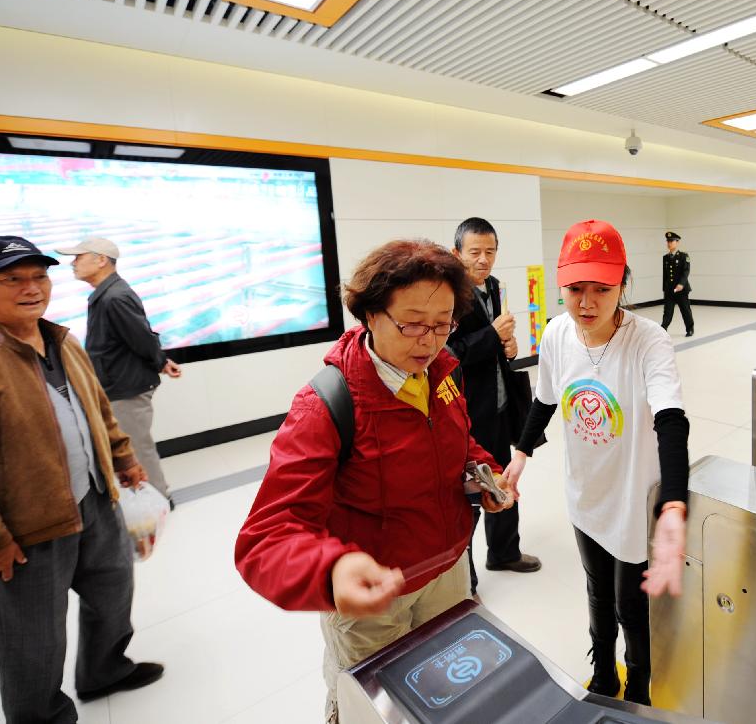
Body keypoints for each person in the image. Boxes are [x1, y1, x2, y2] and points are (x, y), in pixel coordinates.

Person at [235, 239, 513, 724]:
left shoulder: (442, 373)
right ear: (369, 314)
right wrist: (331, 572)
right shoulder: (327, 404)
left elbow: (458, 441)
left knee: (447, 696)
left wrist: (483, 473)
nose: (428, 341)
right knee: (375, 711)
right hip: (373, 602)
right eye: (411, 324)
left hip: (448, 576)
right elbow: (265, 539)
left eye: (442, 324)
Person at [0, 236, 164, 724]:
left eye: (38, 276)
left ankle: (104, 669)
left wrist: (123, 459)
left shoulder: (63, 341)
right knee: (32, 639)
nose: (30, 288)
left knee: (112, 596)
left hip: (96, 502)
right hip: (26, 529)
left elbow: (97, 410)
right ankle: (39, 715)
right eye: (10, 279)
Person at [503, 220, 689, 706]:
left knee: (632, 606)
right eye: (575, 289)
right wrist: (520, 455)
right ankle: (604, 676)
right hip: (584, 492)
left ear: (622, 284)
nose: (586, 303)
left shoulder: (648, 341)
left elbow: (671, 420)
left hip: (630, 498)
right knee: (596, 593)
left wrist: (673, 503)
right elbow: (544, 400)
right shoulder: (557, 333)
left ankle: (640, 691)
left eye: (602, 289)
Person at [449, 217, 541, 595]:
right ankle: (462, 579)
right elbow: (446, 354)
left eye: (490, 252)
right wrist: (492, 336)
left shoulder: (495, 288)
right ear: (457, 253)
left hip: (501, 404)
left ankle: (504, 552)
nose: (483, 260)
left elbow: (497, 341)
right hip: (469, 412)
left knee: (504, 481)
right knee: (470, 494)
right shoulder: (447, 295)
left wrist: (510, 347)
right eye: (475, 252)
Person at [56, 237, 181, 502]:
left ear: (101, 260)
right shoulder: (106, 293)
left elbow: (142, 338)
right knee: (132, 445)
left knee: (137, 447)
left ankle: (159, 499)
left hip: (127, 387)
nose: (73, 263)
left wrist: (160, 362)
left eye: (79, 257)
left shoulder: (115, 296)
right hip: (118, 384)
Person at [660, 231, 694, 337]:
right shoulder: (665, 258)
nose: (669, 243)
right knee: (667, 311)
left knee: (685, 310)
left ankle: (690, 328)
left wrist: (681, 284)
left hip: (681, 290)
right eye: (668, 241)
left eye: (671, 241)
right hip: (669, 290)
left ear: (677, 242)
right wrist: (664, 289)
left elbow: (686, 271)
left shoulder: (684, 256)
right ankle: (663, 329)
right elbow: (665, 275)